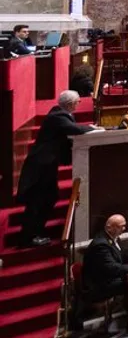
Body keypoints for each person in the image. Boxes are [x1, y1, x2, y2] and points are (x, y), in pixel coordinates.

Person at [17, 91, 100, 246]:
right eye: (77, 102)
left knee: (49, 197)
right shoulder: (58, 116)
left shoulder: (60, 114)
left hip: (47, 164)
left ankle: (36, 231)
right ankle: (28, 237)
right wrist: (95, 129)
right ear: (70, 103)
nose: (78, 105)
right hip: (41, 166)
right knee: (38, 200)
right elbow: (74, 129)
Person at [82, 214, 128, 333]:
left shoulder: (112, 238)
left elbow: (122, 254)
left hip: (109, 279)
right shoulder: (101, 245)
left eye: (124, 226)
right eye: (121, 226)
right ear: (110, 227)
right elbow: (113, 269)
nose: (124, 229)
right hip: (100, 285)